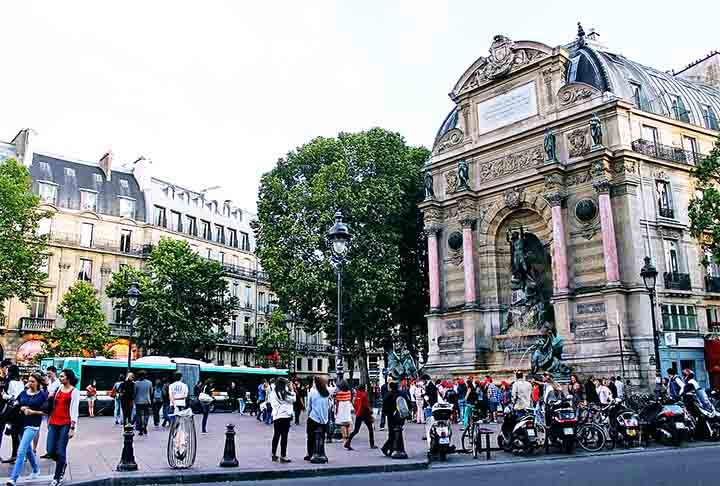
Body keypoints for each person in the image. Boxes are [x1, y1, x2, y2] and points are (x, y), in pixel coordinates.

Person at [6, 373, 47, 486]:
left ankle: (13, 479)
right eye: (29, 381)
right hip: (20, 424)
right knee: (28, 449)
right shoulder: (23, 393)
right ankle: (35, 470)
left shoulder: (42, 396)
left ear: (38, 383)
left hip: (32, 425)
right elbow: (16, 404)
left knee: (21, 452)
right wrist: (20, 407)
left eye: (33, 381)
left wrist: (32, 412)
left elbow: (46, 411)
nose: (30, 383)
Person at [46, 369, 80, 486]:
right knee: (50, 450)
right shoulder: (58, 388)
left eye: (62, 376)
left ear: (68, 378)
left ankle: (57, 477)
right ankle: (62, 463)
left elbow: (75, 409)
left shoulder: (74, 391)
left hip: (66, 423)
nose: (60, 378)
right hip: (53, 422)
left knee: (61, 450)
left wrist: (72, 427)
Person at [269, 377, 296, 463]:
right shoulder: (284, 393)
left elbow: (271, 403)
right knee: (284, 436)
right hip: (285, 416)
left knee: (276, 435)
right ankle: (283, 456)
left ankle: (273, 454)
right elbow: (293, 399)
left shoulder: (273, 393)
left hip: (276, 416)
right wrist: (292, 390)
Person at [304, 376, 330, 462]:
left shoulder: (312, 392)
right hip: (324, 419)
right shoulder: (326, 393)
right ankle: (320, 453)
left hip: (314, 418)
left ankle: (310, 454)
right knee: (321, 437)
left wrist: (307, 415)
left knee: (310, 437)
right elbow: (329, 406)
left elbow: (309, 407)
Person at [3, 365, 25, 464]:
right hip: (20, 409)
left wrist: (4, 395)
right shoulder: (20, 382)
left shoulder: (11, 382)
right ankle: (17, 455)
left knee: (14, 433)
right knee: (18, 433)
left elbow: (13, 396)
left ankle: (15, 456)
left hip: (13, 410)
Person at [346, 384, 375, 450]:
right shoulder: (364, 395)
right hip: (365, 413)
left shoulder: (356, 395)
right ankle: (372, 444)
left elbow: (355, 404)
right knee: (370, 429)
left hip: (359, 413)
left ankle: (348, 442)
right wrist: (370, 412)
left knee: (356, 430)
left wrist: (357, 410)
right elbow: (366, 405)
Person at [380, 381, 405, 457]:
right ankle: (392, 448)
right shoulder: (401, 394)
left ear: (390, 387)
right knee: (397, 433)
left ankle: (387, 448)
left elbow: (385, 407)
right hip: (400, 416)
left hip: (391, 417)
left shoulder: (388, 395)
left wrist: (386, 414)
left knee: (392, 433)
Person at [134, 371, 153, 435]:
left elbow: (134, 392)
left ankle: (140, 429)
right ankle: (145, 426)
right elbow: (151, 392)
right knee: (146, 415)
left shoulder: (136, 383)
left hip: (138, 401)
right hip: (147, 401)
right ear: (145, 375)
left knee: (139, 415)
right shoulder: (149, 383)